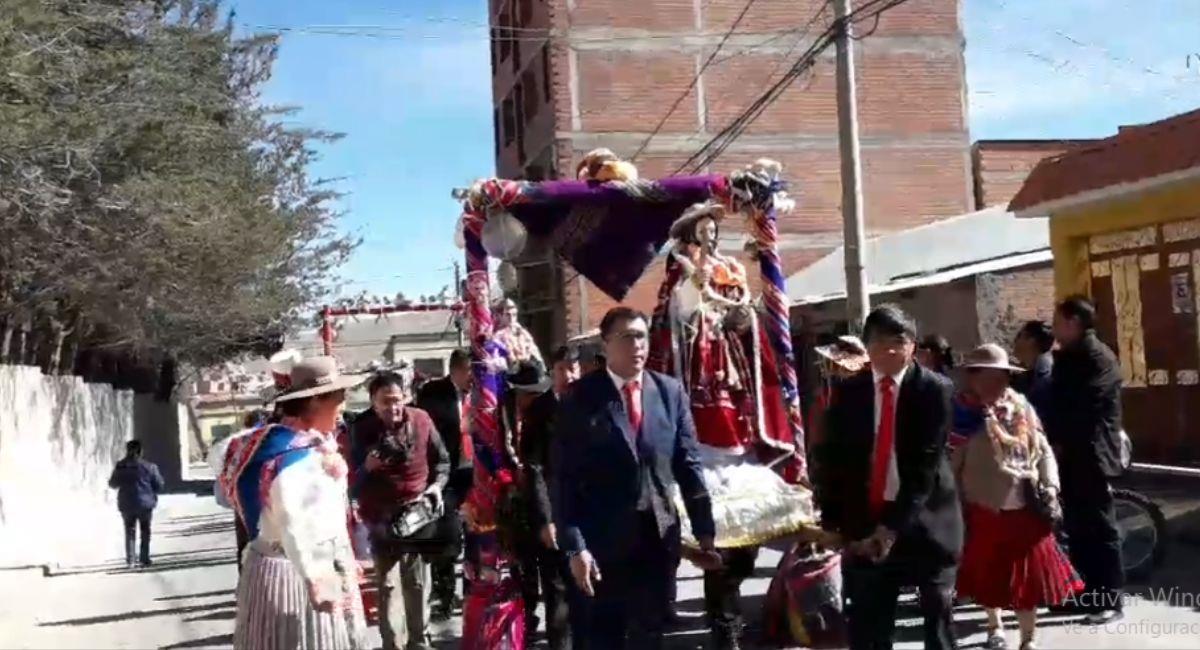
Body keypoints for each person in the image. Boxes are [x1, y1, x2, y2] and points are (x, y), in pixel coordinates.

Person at [646, 202, 814, 649]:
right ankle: (725, 625)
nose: (710, 237)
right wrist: (693, 292)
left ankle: (729, 608)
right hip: (696, 383)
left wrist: (740, 315)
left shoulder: (727, 268)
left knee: (746, 535)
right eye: (702, 230)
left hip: (732, 390)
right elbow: (672, 320)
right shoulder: (680, 271)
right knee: (712, 541)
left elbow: (745, 316)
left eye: (714, 230)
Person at [552, 306, 720, 649]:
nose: (637, 346)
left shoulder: (669, 393)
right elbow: (564, 479)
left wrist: (705, 533)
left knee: (650, 636)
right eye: (627, 337)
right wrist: (575, 547)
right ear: (606, 344)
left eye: (641, 336)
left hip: (657, 541)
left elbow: (688, 466)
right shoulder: (581, 399)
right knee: (603, 638)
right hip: (602, 546)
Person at [816, 304, 963, 650]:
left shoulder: (934, 390)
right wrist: (837, 525)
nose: (890, 349)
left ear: (913, 345)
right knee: (869, 627)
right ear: (867, 347)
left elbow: (923, 470)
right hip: (867, 522)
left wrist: (891, 529)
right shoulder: (849, 392)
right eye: (880, 341)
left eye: (899, 340)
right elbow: (833, 460)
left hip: (927, 521)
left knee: (938, 621)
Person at [221, 356, 368, 650]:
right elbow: (295, 523)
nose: (343, 407)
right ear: (314, 401)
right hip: (296, 571)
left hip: (282, 563)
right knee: (311, 640)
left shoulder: (269, 444)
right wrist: (315, 579)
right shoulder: (295, 460)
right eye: (339, 398)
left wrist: (345, 559)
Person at [952, 344, 1082, 650]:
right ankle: (995, 627)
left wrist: (1050, 486)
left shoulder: (1021, 406)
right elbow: (951, 466)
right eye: (988, 376)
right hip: (984, 508)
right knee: (988, 575)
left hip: (1026, 505)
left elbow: (1043, 450)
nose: (996, 384)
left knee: (1029, 578)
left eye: (1002, 376)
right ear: (973, 377)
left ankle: (1028, 639)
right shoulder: (963, 415)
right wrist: (954, 507)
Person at [352, 370, 450, 650]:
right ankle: (392, 644)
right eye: (385, 402)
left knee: (418, 583)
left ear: (405, 397)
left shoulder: (421, 419)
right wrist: (365, 469)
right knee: (388, 587)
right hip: (381, 518)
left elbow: (442, 462)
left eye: (397, 400)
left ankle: (420, 642)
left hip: (417, 514)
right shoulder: (361, 428)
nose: (393, 407)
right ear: (373, 402)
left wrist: (436, 487)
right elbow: (350, 483)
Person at [1048, 296, 1125, 624]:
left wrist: (1063, 436)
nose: (1053, 327)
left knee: (1100, 527)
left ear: (1073, 322)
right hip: (1069, 453)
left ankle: (1110, 599)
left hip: (1092, 453)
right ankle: (1086, 593)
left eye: (1057, 321)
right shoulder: (1067, 357)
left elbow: (1086, 406)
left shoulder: (1099, 358)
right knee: (1077, 527)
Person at [516, 347, 580, 649]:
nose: (568, 375)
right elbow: (534, 469)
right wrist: (546, 520)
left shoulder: (593, 402)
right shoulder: (539, 411)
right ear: (552, 373)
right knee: (558, 593)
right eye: (561, 369)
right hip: (554, 513)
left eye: (573, 368)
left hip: (592, 513)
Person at [415, 349, 475, 620]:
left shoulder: (483, 391)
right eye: (470, 372)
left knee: (477, 534)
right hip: (448, 473)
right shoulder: (433, 393)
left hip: (475, 472)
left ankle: (475, 592)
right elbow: (428, 434)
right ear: (457, 370)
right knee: (448, 536)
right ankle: (446, 594)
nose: (474, 378)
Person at [108, 440, 165, 569]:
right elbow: (159, 485)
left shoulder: (120, 466)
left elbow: (112, 484)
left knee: (129, 531)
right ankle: (144, 558)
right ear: (140, 451)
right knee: (145, 531)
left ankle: (131, 560)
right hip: (145, 504)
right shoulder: (150, 467)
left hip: (126, 504)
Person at [1012, 320, 1055, 422]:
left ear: (1031, 340)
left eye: (1019, 336)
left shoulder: (1046, 374)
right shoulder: (1033, 372)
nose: (1015, 341)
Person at [493, 297, 545, 372]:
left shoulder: (522, 332)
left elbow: (535, 352)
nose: (511, 318)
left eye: (514, 315)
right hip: (508, 373)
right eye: (508, 315)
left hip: (528, 370)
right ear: (499, 316)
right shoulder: (497, 335)